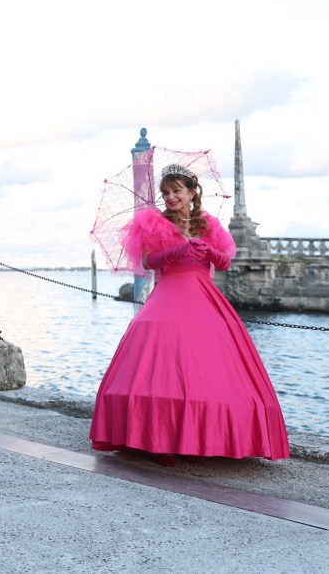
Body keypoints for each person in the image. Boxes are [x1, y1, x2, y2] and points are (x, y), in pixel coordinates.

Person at [89, 163, 290, 465]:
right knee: (161, 373)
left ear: (192, 192)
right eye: (166, 193)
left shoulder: (208, 224)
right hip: (168, 296)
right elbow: (147, 262)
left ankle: (196, 441)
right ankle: (160, 443)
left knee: (203, 371)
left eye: (176, 191)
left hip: (203, 297)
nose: (170, 197)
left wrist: (210, 253)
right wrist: (174, 252)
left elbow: (224, 263)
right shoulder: (155, 223)